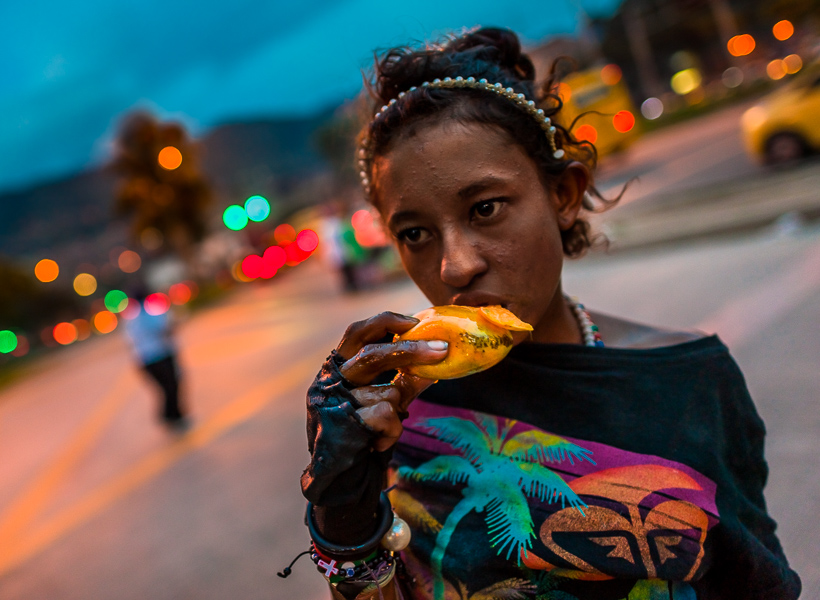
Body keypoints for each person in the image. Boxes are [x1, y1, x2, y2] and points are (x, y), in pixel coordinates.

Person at [298, 28, 800, 600]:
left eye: (485, 208)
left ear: (563, 195)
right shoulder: (391, 410)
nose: (455, 267)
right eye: (415, 233)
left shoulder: (688, 380)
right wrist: (345, 519)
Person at [124, 289, 187, 429]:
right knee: (172, 386)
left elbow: (129, 341)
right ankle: (171, 415)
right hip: (161, 354)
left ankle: (172, 415)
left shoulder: (130, 318)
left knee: (165, 388)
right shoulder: (153, 311)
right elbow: (165, 328)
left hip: (145, 360)